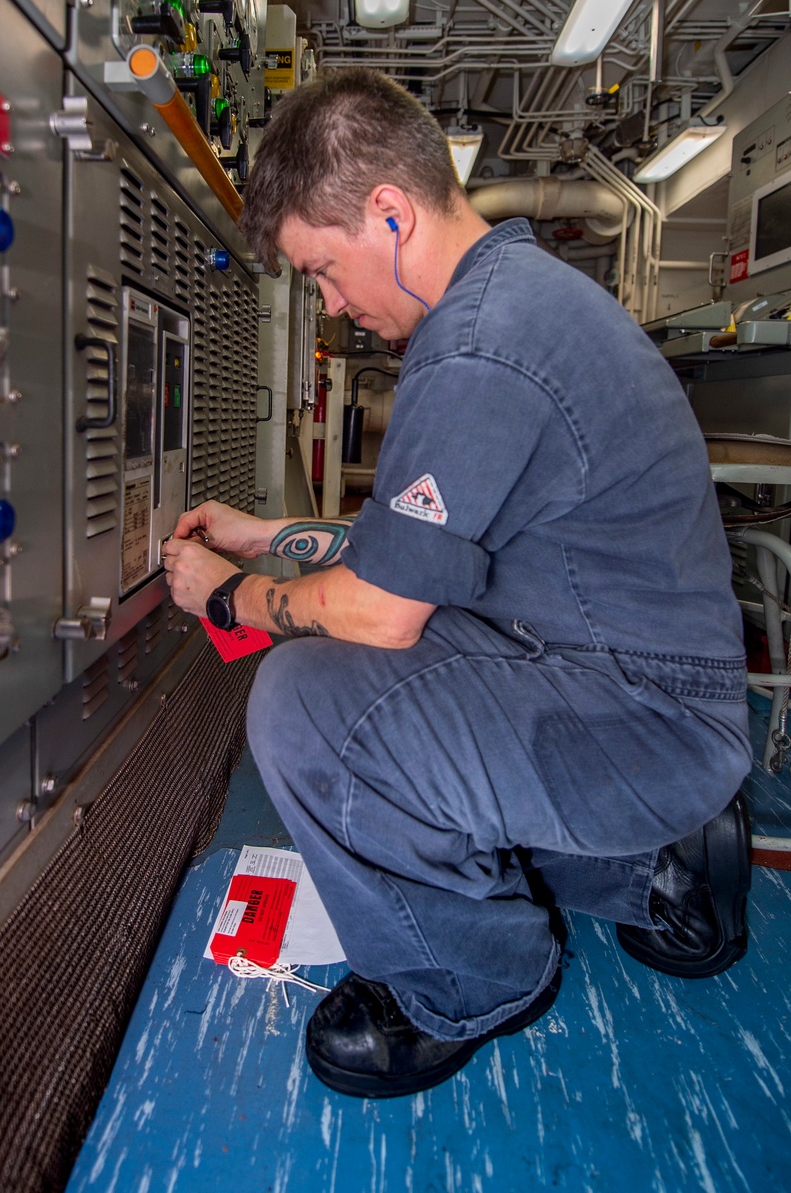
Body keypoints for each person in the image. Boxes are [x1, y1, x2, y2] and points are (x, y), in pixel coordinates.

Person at [162, 68, 752, 1101]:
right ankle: (651, 872)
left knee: (309, 703)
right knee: (382, 689)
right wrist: (269, 534)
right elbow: (414, 548)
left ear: (387, 213)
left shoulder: (479, 348)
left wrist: (229, 594)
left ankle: (473, 981)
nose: (333, 301)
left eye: (326, 267)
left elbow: (385, 610)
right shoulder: (507, 305)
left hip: (640, 717)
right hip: (616, 677)